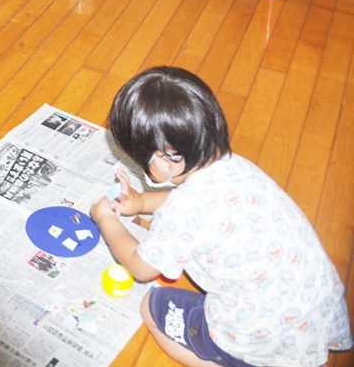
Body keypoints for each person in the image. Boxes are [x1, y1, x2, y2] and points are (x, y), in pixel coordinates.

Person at [90, 67, 351, 367]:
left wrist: (106, 220)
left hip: (260, 337)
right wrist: (141, 202)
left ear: (164, 159)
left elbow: (140, 267)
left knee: (150, 306)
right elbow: (193, 201)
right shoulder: (232, 165)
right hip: (312, 312)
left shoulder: (182, 213)